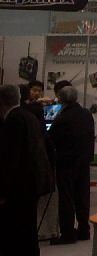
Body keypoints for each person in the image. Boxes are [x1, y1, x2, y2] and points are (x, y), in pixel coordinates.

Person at [0, 83, 52, 256]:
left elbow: (11, 159)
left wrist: (3, 191)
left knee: (16, 230)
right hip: (32, 182)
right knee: (28, 228)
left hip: (20, 186)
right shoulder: (29, 116)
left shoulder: (13, 121)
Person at [48, 85, 95, 245]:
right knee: (82, 196)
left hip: (66, 162)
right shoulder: (86, 114)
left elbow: (50, 139)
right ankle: (84, 230)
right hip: (83, 161)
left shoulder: (62, 118)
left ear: (61, 99)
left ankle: (67, 233)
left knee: (66, 198)